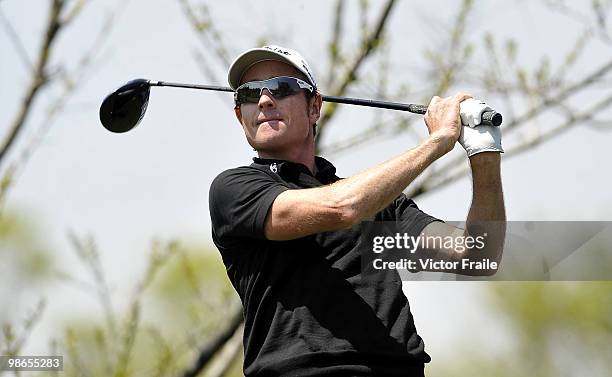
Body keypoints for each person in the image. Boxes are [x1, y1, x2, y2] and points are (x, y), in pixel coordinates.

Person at [209, 45, 505, 376]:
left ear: (314, 106)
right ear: (240, 115)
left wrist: (485, 153)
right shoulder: (234, 189)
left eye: (282, 87)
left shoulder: (381, 204)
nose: (264, 100)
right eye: (249, 94)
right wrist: (437, 142)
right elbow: (342, 208)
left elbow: (477, 256)